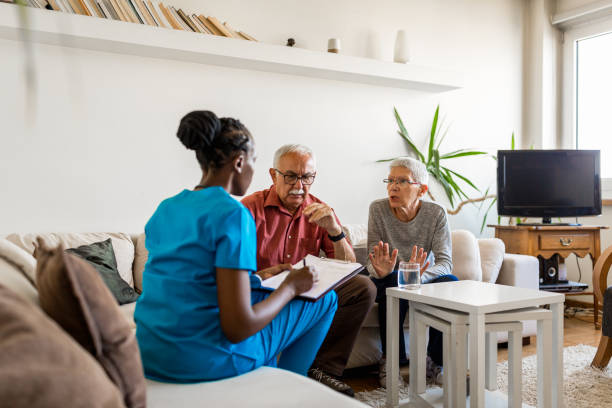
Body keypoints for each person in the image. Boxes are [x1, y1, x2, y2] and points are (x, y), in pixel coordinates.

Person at [134, 111, 338, 383]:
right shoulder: (233, 213)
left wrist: (256, 277)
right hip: (204, 360)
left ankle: (266, 376)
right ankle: (287, 388)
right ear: (240, 162)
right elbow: (238, 327)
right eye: (253, 161)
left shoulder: (166, 208)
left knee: (263, 294)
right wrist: (290, 286)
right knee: (326, 299)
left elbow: (191, 280)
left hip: (151, 353)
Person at [241, 144, 376, 397]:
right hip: (262, 291)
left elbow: (349, 271)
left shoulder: (320, 209)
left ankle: (324, 371)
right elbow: (236, 272)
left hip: (306, 292)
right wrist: (269, 275)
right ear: (273, 175)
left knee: (363, 288)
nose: (299, 185)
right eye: (291, 176)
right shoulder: (249, 209)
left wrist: (335, 231)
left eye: (307, 177)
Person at [367, 157, 458, 387]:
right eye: (390, 180)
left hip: (420, 279)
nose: (393, 187)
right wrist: (381, 270)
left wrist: (415, 275)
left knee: (450, 282)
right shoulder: (377, 209)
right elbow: (372, 260)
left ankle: (435, 362)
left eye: (402, 181)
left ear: (422, 190)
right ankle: (391, 363)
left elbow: (445, 263)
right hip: (387, 279)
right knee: (392, 285)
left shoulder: (436, 213)